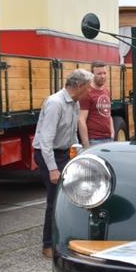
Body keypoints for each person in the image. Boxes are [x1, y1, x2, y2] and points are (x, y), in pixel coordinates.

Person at [33, 69, 93, 258]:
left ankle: (66, 237)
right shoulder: (55, 103)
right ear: (79, 85)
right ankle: (48, 245)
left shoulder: (75, 103)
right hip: (47, 155)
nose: (89, 91)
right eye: (87, 87)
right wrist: (52, 169)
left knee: (72, 196)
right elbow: (45, 141)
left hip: (63, 153)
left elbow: (72, 133)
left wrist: (79, 156)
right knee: (55, 200)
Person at [79, 62, 115, 147]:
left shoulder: (106, 91)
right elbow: (81, 119)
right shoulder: (87, 93)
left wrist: (112, 132)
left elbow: (108, 114)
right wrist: (86, 144)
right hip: (94, 140)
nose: (102, 76)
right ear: (92, 75)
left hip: (109, 139)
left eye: (104, 73)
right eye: (99, 73)